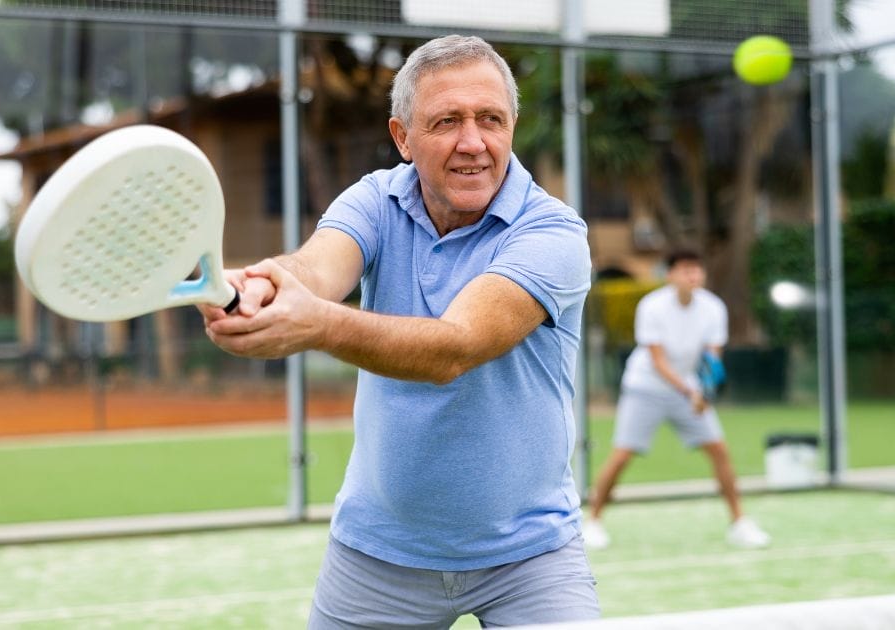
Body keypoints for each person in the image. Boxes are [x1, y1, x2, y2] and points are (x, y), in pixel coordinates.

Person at [200, 35, 599, 628]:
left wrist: (318, 324)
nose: (473, 142)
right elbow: (315, 269)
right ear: (403, 138)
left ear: (512, 126)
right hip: (376, 556)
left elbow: (455, 346)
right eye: (446, 122)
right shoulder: (374, 200)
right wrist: (264, 283)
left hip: (532, 556)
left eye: (490, 119)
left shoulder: (554, 234)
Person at [581, 249, 770, 551]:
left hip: (689, 390)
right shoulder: (652, 306)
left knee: (719, 451)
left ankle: (740, 523)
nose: (693, 275)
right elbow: (658, 361)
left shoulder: (713, 308)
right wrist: (690, 391)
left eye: (697, 269)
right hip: (645, 388)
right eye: (685, 270)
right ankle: (592, 522)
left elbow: (712, 356)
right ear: (670, 275)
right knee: (622, 456)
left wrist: (706, 391)